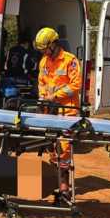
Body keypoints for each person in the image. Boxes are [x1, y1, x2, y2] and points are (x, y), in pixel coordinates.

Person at [34, 27, 82, 194]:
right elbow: (41, 82)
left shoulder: (70, 60)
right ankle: (55, 181)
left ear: (53, 44)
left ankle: (64, 187)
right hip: (50, 111)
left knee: (64, 148)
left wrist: (55, 96)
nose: (44, 52)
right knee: (52, 148)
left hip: (67, 111)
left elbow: (75, 85)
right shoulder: (44, 61)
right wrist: (42, 98)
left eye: (45, 48)